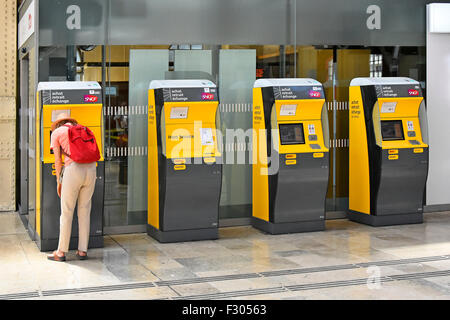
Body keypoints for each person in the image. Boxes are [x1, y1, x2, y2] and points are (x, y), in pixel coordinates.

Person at [47, 113, 97, 262]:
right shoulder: (84, 129)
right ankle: (82, 250)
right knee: (85, 210)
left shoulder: (57, 132)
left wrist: (59, 181)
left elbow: (58, 160)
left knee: (67, 211)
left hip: (73, 169)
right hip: (92, 169)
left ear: (58, 123)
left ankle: (61, 252)